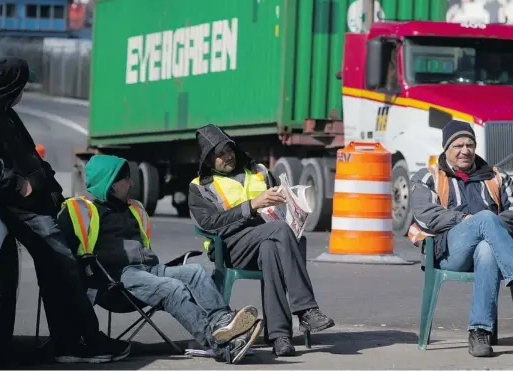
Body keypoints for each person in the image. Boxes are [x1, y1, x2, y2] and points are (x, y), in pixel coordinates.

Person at [0, 57, 130, 364]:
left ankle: (69, 342)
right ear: (12, 86)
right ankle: (85, 342)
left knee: (59, 273)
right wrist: (19, 185)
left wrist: (49, 186)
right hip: (22, 210)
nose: (24, 91)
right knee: (65, 269)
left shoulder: (5, 113)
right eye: (22, 85)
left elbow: (27, 155)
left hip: (39, 206)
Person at [58, 155, 263, 364]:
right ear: (109, 184)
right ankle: (221, 346)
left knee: (196, 271)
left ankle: (223, 324)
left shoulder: (133, 208)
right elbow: (62, 250)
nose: (131, 183)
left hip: (149, 269)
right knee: (173, 288)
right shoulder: (85, 212)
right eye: (126, 179)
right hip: (117, 278)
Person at [409, 120, 513, 358]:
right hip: (449, 252)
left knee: (486, 247)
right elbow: (427, 216)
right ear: (446, 149)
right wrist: (471, 221)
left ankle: (479, 332)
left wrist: (486, 226)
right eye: (458, 145)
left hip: (491, 252)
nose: (465, 150)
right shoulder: (428, 176)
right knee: (483, 219)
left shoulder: (496, 176)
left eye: (470, 144)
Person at [188, 124, 334, 357]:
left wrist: (290, 201)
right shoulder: (200, 187)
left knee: (270, 250)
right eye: (220, 154)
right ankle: (306, 310)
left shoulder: (259, 171)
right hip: (229, 246)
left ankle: (280, 337)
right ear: (208, 160)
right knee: (279, 231)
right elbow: (208, 223)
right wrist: (252, 206)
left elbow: (279, 197)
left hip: (268, 238)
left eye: (229, 150)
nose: (228, 157)